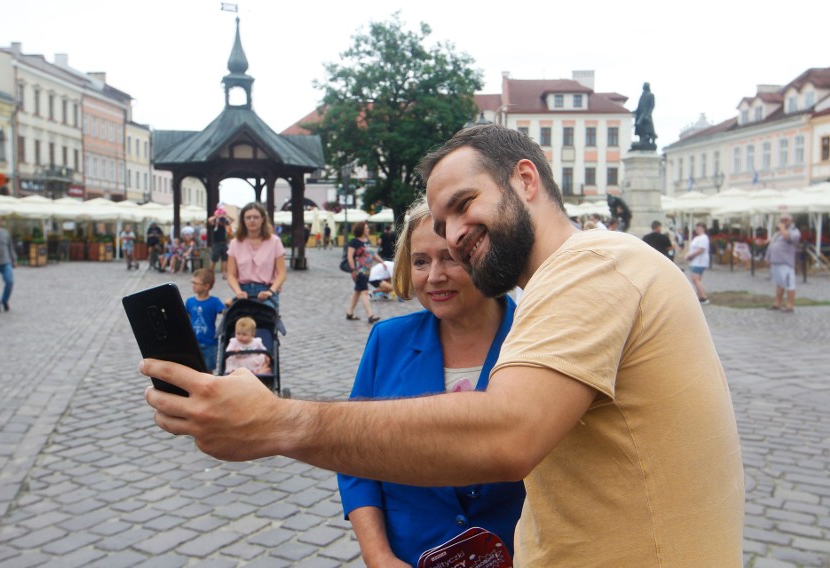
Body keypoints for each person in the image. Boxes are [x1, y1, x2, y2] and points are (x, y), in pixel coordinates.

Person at [144, 124, 744, 566]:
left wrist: (279, 422)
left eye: (464, 206)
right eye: (440, 222)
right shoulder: (566, 284)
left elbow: (505, 435)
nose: (455, 237)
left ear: (525, 180)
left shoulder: (592, 265)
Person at [338, 198, 525, 566]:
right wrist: (378, 556)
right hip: (409, 555)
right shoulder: (387, 340)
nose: (433, 276)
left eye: (450, 258)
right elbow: (354, 457)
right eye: (420, 261)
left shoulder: (533, 340)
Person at [226, 202, 286, 311]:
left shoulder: (275, 241)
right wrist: (238, 291)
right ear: (243, 220)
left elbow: (282, 273)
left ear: (262, 219)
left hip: (266, 291)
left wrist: (271, 291)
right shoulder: (235, 243)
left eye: (256, 217)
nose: (252, 220)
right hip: (243, 291)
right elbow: (231, 275)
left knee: (264, 319)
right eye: (248, 217)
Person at [186, 268, 225, 372]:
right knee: (193, 370)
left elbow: (225, 312)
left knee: (208, 371)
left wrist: (228, 305)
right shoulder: (189, 302)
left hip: (210, 343)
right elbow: (186, 320)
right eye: (192, 282)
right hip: (193, 343)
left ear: (206, 286)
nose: (193, 285)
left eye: (196, 283)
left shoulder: (215, 302)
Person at [345, 221, 382, 323]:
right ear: (361, 229)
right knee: (364, 292)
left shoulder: (367, 241)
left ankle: (349, 313)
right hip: (359, 271)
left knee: (357, 291)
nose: (368, 229)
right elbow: (349, 256)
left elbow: (373, 254)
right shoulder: (354, 242)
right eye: (366, 228)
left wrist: (382, 262)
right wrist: (353, 270)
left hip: (367, 272)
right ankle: (370, 315)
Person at [766, 213, 801, 312]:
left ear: (791, 221)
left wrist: (782, 229)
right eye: (782, 220)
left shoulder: (795, 231)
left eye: (786, 220)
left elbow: (789, 238)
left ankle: (790, 305)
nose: (783, 222)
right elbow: (772, 245)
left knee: (789, 284)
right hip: (776, 261)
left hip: (786, 262)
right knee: (779, 284)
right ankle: (777, 303)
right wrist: (767, 257)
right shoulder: (777, 233)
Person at [684, 222, 711, 305]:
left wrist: (689, 256)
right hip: (696, 261)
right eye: (697, 228)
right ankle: (699, 296)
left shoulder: (703, 238)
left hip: (699, 261)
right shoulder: (698, 238)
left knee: (695, 279)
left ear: (704, 229)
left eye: (700, 228)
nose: (698, 229)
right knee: (697, 279)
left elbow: (700, 250)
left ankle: (703, 297)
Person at [208, 205, 233, 279]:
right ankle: (210, 273)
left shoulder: (225, 224)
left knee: (224, 259)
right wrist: (217, 216)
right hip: (216, 243)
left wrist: (225, 215)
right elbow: (209, 220)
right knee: (214, 259)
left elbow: (232, 220)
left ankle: (224, 273)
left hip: (224, 243)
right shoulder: (215, 223)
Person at [633, 82, 657, 148]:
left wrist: (648, 114)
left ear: (647, 87)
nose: (643, 87)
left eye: (644, 86)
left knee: (643, 126)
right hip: (640, 114)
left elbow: (652, 105)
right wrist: (634, 112)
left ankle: (645, 138)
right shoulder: (642, 95)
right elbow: (639, 106)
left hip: (645, 114)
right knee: (638, 125)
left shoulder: (651, 95)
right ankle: (642, 138)